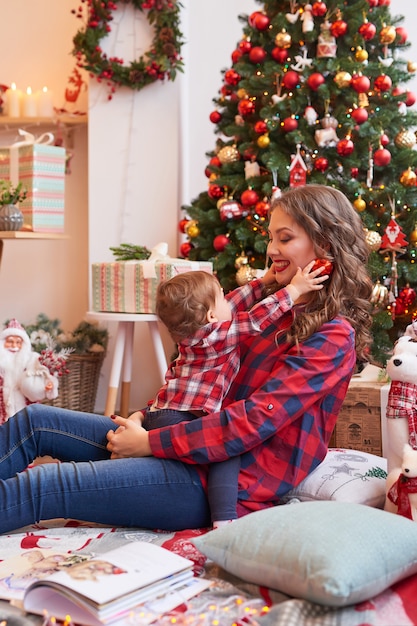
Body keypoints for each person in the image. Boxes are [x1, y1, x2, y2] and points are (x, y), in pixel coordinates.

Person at [0, 185, 373, 535]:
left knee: (44, 484)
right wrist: (144, 417)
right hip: (181, 443)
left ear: (324, 245)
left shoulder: (331, 337)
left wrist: (150, 444)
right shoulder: (263, 309)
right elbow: (197, 374)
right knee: (35, 422)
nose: (272, 248)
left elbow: (252, 421)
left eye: (285, 238)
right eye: (271, 236)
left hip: (218, 483)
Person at [142, 263, 328, 527]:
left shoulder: (198, 331)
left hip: (161, 411)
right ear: (210, 316)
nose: (228, 297)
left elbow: (233, 302)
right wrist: (293, 289)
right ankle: (224, 518)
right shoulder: (216, 335)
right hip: (178, 416)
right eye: (221, 296)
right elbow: (254, 320)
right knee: (226, 451)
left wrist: (262, 284)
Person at [0, 319, 59, 425]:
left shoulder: (32, 359)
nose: (14, 346)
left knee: (26, 425)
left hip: (26, 405)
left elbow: (43, 373)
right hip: (2, 408)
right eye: (10, 341)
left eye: (18, 342)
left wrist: (48, 384)